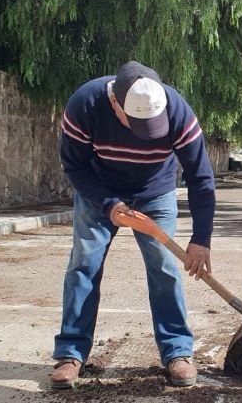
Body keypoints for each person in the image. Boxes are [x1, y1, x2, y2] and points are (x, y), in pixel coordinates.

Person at [50, 61, 216, 389]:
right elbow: (74, 165)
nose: (146, 132)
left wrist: (201, 238)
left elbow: (201, 177)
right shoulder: (85, 105)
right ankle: (71, 353)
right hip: (100, 193)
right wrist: (110, 205)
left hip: (156, 192)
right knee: (84, 265)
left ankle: (177, 352)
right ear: (115, 103)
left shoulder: (177, 110)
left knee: (165, 268)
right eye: (137, 123)